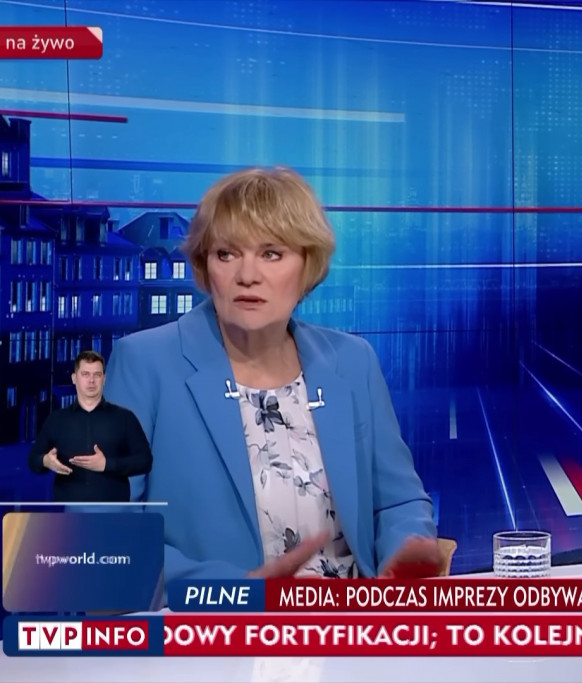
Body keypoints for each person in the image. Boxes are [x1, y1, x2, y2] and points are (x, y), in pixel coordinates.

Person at [104, 167, 440, 581]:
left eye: (271, 254)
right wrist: (236, 591)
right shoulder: (145, 364)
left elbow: (398, 502)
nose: (247, 276)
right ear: (205, 267)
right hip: (223, 618)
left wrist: (403, 555)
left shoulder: (352, 362)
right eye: (226, 254)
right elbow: (105, 538)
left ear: (308, 265)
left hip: (353, 614)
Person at [27, 350, 153, 502]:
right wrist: (45, 461)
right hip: (68, 511)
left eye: (97, 375)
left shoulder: (124, 418)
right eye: (85, 374)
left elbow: (145, 460)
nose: (91, 380)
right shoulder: (56, 419)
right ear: (74, 378)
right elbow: (33, 459)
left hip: (113, 510)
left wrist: (107, 465)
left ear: (104, 379)